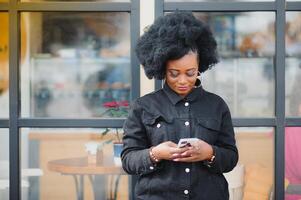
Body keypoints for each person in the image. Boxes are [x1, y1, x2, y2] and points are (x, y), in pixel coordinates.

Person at [121, 12, 238, 200]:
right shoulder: (144, 107)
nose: (183, 81)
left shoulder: (217, 106)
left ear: (200, 66)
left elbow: (231, 158)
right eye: (174, 73)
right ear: (161, 68)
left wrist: (210, 153)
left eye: (190, 73)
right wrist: (155, 153)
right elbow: (128, 160)